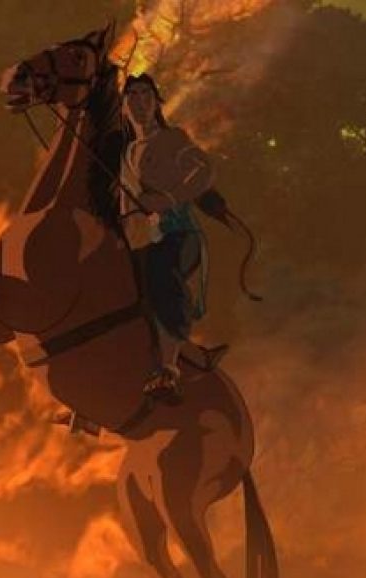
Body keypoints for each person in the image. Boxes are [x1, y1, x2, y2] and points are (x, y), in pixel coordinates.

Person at [119, 74, 217, 402]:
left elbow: (205, 171)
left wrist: (168, 199)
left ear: (157, 102)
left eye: (146, 94)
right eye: (132, 96)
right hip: (140, 239)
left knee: (161, 272)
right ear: (124, 106)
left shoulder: (172, 138)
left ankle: (169, 370)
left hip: (178, 234)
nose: (139, 102)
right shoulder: (127, 152)